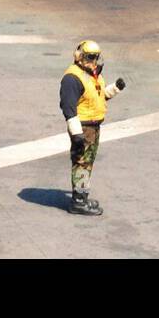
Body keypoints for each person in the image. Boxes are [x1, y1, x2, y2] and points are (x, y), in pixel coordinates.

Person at [59, 40, 125, 216]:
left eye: (96, 57)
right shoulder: (72, 78)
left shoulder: (93, 74)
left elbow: (97, 97)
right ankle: (78, 202)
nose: (94, 61)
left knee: (88, 162)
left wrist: (114, 89)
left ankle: (82, 196)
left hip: (94, 126)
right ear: (80, 56)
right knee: (82, 162)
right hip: (83, 127)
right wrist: (76, 134)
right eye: (90, 57)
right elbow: (68, 107)